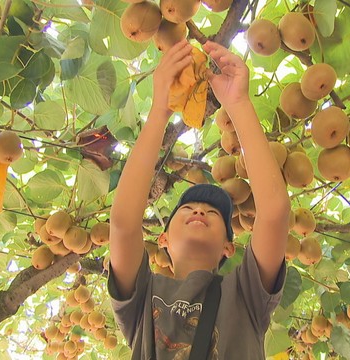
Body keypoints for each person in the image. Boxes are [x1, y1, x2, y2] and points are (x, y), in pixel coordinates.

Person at [108, 39, 291, 359]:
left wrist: (238, 104)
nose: (199, 211)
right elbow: (124, 222)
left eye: (213, 213)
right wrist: (159, 110)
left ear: (228, 248)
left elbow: (274, 212)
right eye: (188, 209)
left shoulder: (246, 292)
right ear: (162, 239)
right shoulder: (143, 295)